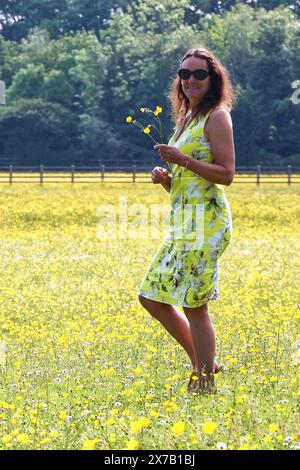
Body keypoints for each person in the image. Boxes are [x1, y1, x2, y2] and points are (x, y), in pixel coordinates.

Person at [138, 45, 235, 395]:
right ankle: (203, 361)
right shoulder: (186, 120)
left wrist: (182, 159)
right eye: (184, 74)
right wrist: (168, 179)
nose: (190, 80)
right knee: (151, 296)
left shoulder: (216, 116)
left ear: (212, 80)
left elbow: (226, 174)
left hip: (207, 224)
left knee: (194, 304)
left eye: (199, 74)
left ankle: (205, 382)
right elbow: (188, 181)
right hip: (183, 223)